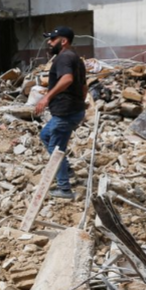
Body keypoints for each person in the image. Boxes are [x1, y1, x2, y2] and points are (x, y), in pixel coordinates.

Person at [34, 26, 88, 199]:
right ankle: (67, 170)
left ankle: (64, 188)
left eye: (52, 40)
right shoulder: (76, 59)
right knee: (45, 135)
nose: (49, 43)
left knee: (55, 148)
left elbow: (67, 79)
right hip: (70, 111)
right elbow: (84, 86)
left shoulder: (64, 58)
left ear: (63, 41)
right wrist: (79, 103)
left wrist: (46, 98)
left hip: (65, 113)